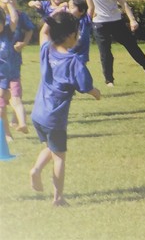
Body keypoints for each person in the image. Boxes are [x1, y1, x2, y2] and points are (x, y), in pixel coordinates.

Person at [29, 12, 101, 207]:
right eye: (77, 33)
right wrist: (97, 93)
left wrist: (53, 16)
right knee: (59, 157)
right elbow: (86, 87)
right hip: (54, 117)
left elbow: (44, 30)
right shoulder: (73, 60)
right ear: (70, 35)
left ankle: (36, 170)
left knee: (51, 147)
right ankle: (58, 198)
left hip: (38, 113)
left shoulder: (46, 49)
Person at [0, 0, 34, 136]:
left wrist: (24, 43)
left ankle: (20, 123)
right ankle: (7, 133)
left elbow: (15, 20)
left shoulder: (8, 29)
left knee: (16, 98)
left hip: (13, 69)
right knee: (2, 105)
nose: (11, 1)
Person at [67, 0, 94, 64]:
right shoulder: (67, 21)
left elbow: (91, 7)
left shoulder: (85, 21)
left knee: (79, 75)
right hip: (68, 54)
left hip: (81, 56)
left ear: (81, 11)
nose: (69, 10)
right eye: (68, 7)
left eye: (72, 7)